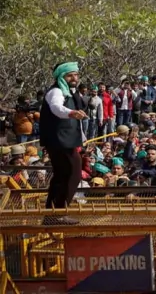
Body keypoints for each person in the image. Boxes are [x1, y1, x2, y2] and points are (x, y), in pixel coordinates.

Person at [39, 61, 88, 224]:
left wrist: (82, 136)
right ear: (61, 76)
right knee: (72, 173)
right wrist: (72, 113)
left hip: (65, 140)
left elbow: (76, 120)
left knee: (62, 175)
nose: (74, 77)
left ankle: (52, 214)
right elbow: (56, 108)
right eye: (70, 75)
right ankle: (58, 212)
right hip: (59, 140)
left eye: (76, 74)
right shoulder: (56, 92)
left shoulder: (70, 92)